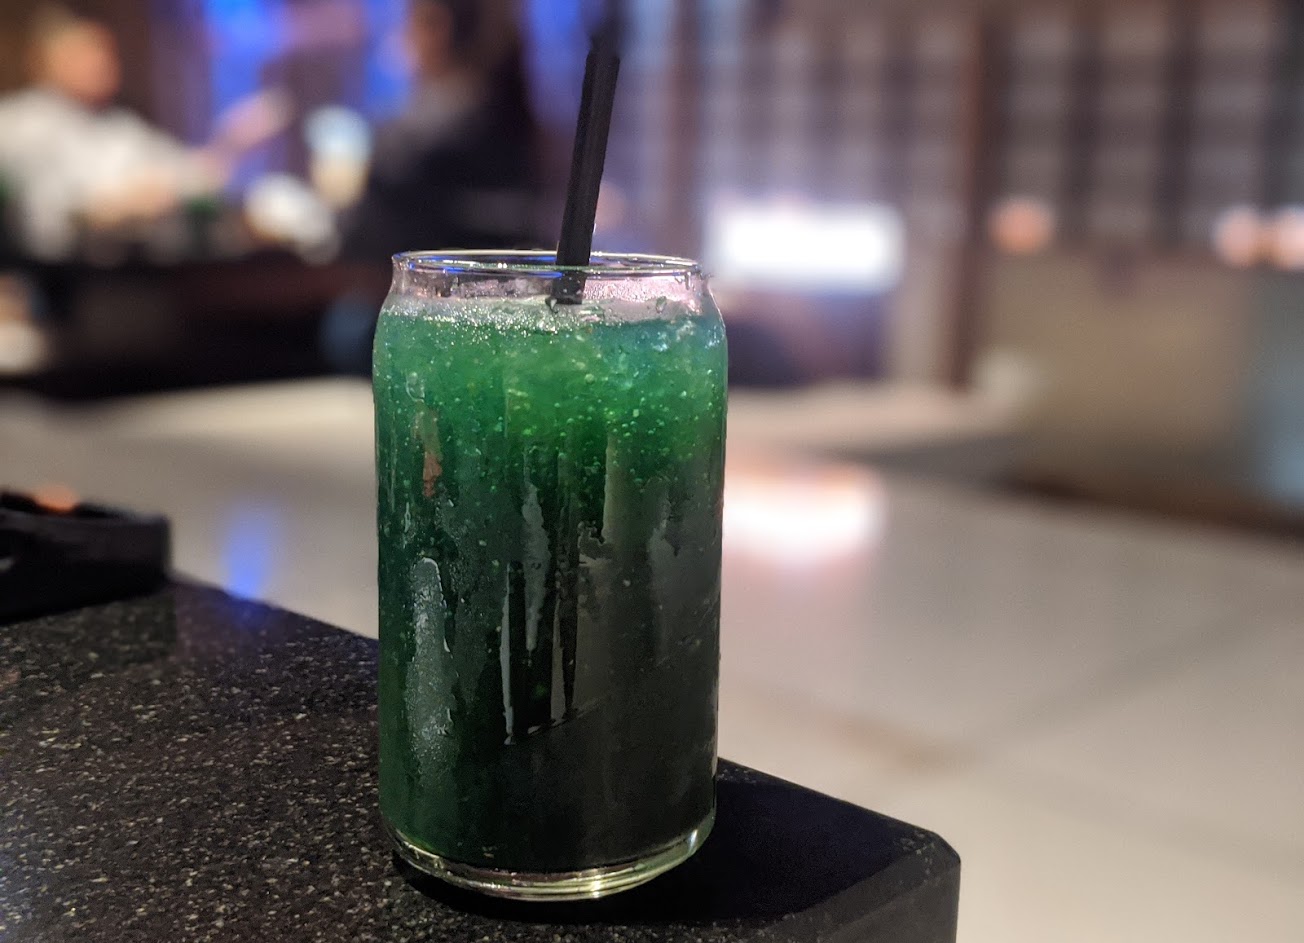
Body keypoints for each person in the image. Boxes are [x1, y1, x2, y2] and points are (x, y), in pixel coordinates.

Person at [0, 6, 286, 260]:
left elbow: (194, 178)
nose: (101, 63)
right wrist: (121, 205)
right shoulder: (19, 123)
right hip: (57, 278)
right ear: (43, 60)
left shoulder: (119, 128)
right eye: (85, 52)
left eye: (106, 52)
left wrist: (232, 141)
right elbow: (53, 216)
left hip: (133, 271)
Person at [341, 0, 544, 259]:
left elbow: (367, 232)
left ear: (438, 28)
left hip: (419, 274)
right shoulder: (506, 111)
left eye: (410, 25)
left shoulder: (424, 134)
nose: (402, 39)